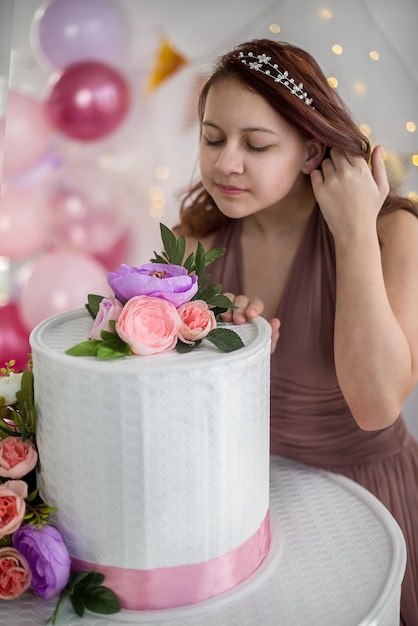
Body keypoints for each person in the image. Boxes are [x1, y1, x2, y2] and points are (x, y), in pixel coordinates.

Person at [173, 38, 418, 624]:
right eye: (212, 138)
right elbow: (176, 413)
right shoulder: (196, 241)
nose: (226, 162)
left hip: (372, 500)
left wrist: (355, 230)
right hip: (252, 509)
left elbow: (377, 405)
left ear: (312, 151)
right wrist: (217, 356)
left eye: (256, 144)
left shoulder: (394, 234)